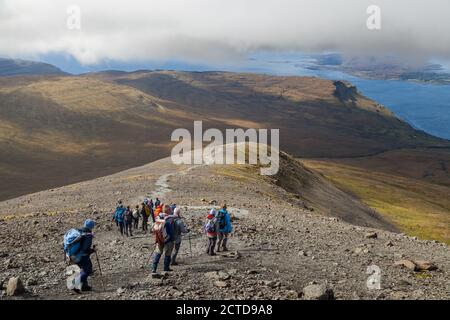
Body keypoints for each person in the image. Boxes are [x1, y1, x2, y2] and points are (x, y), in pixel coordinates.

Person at [151, 205, 175, 274]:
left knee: (158, 253)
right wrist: (172, 239)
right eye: (170, 210)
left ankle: (154, 269)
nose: (171, 211)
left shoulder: (158, 218)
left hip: (159, 240)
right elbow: (170, 231)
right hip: (168, 240)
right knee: (167, 254)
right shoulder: (168, 219)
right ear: (168, 211)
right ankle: (166, 268)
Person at [76, 219, 96, 292]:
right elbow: (85, 249)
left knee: (82, 270)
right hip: (83, 256)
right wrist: (92, 250)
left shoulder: (79, 231)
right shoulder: (88, 235)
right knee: (88, 270)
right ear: (91, 226)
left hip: (75, 255)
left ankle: (84, 286)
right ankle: (75, 283)